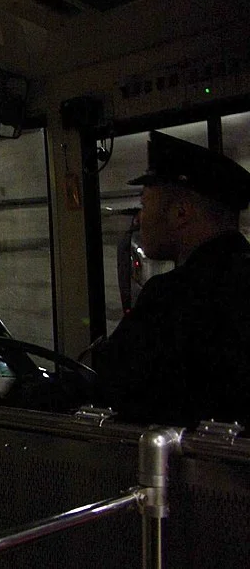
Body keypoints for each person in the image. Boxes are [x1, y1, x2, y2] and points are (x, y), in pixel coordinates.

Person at [91, 131, 250, 427]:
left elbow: (112, 384)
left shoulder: (172, 296)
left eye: (144, 204)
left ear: (180, 213)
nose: (138, 219)